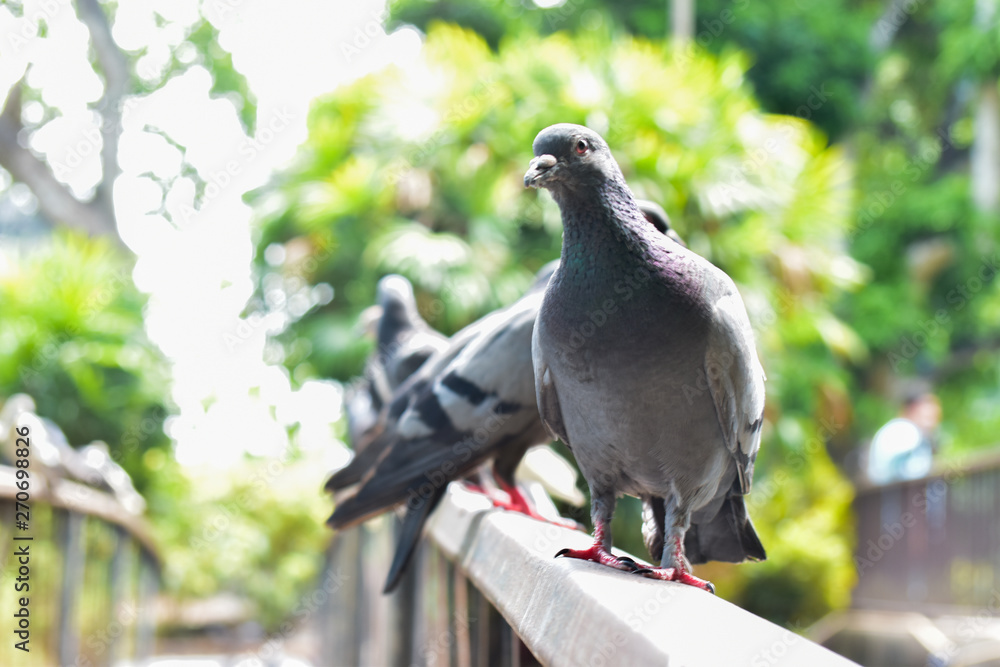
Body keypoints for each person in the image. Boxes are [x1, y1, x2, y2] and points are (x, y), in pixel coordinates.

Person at [866, 391, 942, 485]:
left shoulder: (895, 428)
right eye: (929, 415)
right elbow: (910, 472)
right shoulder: (905, 429)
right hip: (896, 494)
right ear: (913, 408)